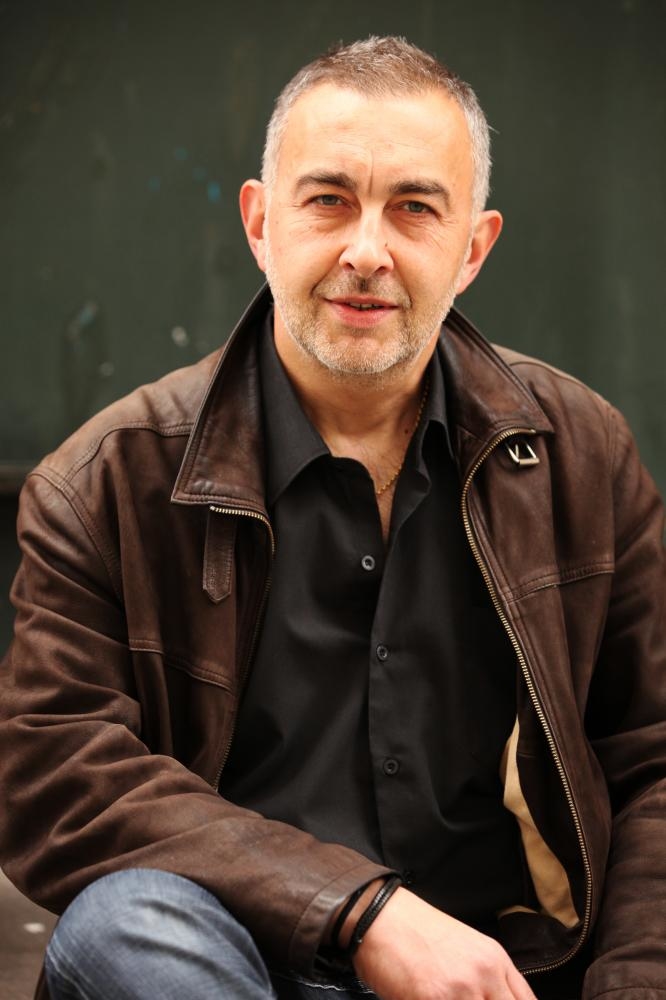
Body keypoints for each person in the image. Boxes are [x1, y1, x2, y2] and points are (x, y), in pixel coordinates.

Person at [0, 34, 664, 1000]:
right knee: (126, 926)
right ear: (260, 224)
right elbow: (53, 773)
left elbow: (653, 761)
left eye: (414, 208)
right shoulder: (103, 481)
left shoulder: (583, 455)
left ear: (473, 249)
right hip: (232, 963)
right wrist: (359, 911)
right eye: (328, 201)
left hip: (504, 977)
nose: (366, 251)